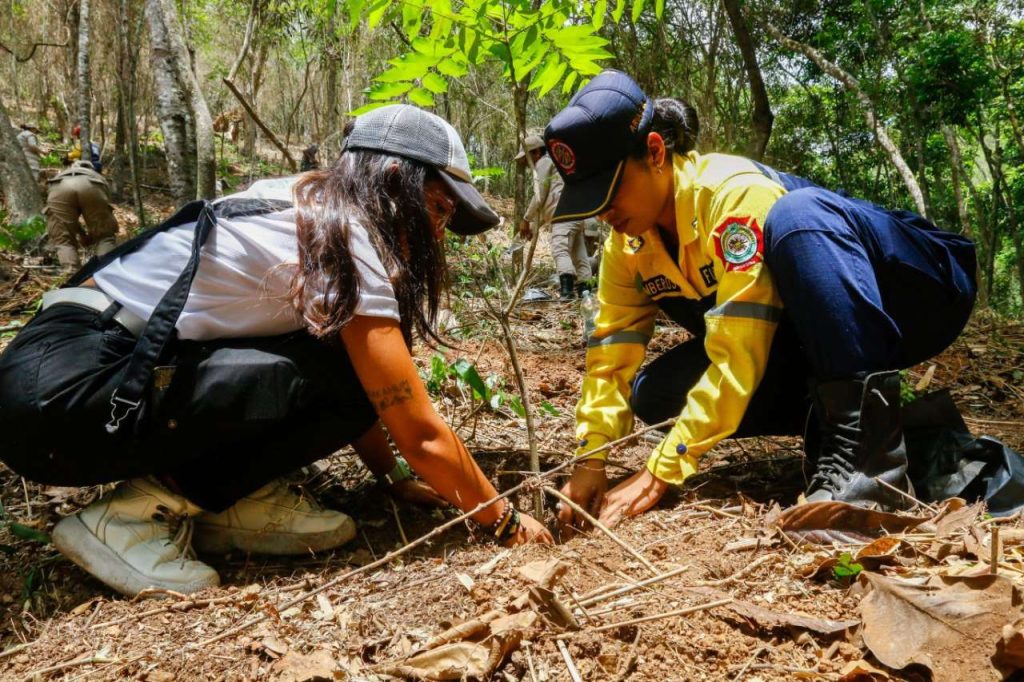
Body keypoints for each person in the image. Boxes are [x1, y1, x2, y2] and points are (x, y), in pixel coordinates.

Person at [0, 104, 552, 597]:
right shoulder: (349, 236)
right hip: (65, 388)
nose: (437, 231)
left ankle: (222, 496)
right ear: (392, 180)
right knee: (342, 368)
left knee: (337, 362)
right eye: (437, 207)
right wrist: (502, 521)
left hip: (58, 374)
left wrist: (391, 477)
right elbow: (416, 425)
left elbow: (358, 394)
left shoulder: (307, 201)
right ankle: (126, 519)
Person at [547, 71, 976, 534]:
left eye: (610, 191)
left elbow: (737, 350)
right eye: (591, 200)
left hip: (919, 290)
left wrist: (663, 469)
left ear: (654, 152)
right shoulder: (627, 245)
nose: (603, 212)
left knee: (797, 215)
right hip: (811, 338)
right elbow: (611, 352)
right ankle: (857, 426)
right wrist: (591, 458)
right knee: (656, 392)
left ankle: (865, 463)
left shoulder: (732, 194)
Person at [517, 134, 593, 299]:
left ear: (536, 152)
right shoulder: (555, 164)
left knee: (560, 250)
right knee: (579, 255)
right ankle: (585, 293)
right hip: (574, 213)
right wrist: (533, 227)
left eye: (526, 157)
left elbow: (540, 195)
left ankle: (567, 292)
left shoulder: (544, 162)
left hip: (564, 215)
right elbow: (548, 205)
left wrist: (526, 219)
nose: (526, 163)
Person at [45, 159, 119, 270]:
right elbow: (100, 213)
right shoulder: (96, 176)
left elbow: (69, 221)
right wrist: (88, 234)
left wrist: (82, 234)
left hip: (60, 187)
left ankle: (73, 276)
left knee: (64, 242)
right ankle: (103, 272)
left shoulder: (63, 173)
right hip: (92, 186)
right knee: (105, 237)